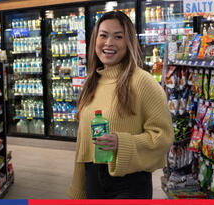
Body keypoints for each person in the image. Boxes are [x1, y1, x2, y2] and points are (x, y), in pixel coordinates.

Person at [67, 11, 174, 199]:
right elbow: (83, 144)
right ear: (95, 40)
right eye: (103, 35)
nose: (109, 43)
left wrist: (121, 143)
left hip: (129, 183)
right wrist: (77, 189)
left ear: (128, 43)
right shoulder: (91, 83)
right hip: (93, 179)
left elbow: (163, 137)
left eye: (118, 36)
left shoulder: (143, 81)